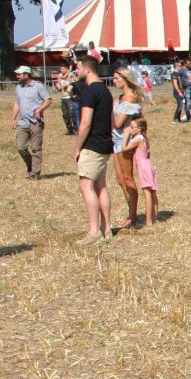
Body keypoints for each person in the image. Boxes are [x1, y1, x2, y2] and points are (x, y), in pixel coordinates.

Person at [73, 56, 113, 245]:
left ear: (87, 69)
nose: (76, 71)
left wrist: (78, 148)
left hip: (92, 145)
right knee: (100, 186)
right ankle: (107, 229)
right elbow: (112, 121)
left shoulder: (89, 93)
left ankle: (94, 231)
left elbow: (85, 122)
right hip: (105, 144)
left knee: (86, 185)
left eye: (78, 68)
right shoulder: (106, 91)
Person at [111, 68, 143, 229]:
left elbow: (117, 123)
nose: (114, 81)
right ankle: (131, 212)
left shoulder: (130, 99)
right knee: (120, 179)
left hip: (125, 141)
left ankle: (132, 216)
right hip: (115, 140)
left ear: (125, 79)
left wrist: (109, 109)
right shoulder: (120, 98)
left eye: (117, 78)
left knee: (128, 178)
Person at [10, 65, 51, 180]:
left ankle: (35, 173)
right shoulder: (19, 87)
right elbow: (17, 103)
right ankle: (31, 165)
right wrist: (13, 118)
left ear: (26, 75)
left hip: (35, 122)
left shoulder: (38, 86)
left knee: (36, 148)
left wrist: (39, 110)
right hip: (23, 122)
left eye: (19, 74)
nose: (17, 76)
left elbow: (48, 100)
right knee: (20, 147)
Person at [123, 118, 159, 226]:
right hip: (148, 165)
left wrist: (126, 135)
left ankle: (148, 220)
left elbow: (124, 148)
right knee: (153, 192)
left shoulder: (138, 139)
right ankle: (154, 217)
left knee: (147, 193)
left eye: (132, 127)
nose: (130, 129)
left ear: (139, 129)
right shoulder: (144, 138)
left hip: (143, 167)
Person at [54, 63, 81, 134]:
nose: (61, 70)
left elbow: (75, 82)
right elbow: (59, 85)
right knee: (65, 114)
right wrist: (59, 86)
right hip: (64, 97)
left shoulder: (71, 75)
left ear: (67, 69)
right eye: (60, 69)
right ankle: (69, 129)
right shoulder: (60, 76)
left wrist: (70, 80)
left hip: (70, 97)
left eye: (62, 69)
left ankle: (76, 129)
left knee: (72, 113)